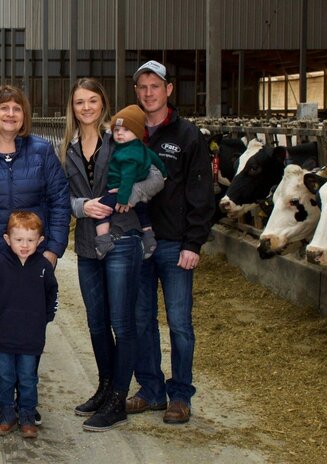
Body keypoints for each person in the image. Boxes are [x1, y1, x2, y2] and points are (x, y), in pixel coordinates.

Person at [0, 84, 70, 427]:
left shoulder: (41, 152)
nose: (10, 114)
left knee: (30, 326)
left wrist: (52, 250)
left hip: (32, 260)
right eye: (4, 108)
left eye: (17, 109)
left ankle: (26, 401)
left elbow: (59, 201)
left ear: (24, 115)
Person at [61, 78, 165, 431]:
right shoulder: (68, 148)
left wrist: (123, 199)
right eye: (79, 102)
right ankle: (105, 387)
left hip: (122, 238)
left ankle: (119, 397)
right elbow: (61, 196)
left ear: (103, 105)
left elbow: (155, 177)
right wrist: (82, 206)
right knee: (95, 322)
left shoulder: (119, 138)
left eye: (92, 100)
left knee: (122, 322)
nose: (86, 107)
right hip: (88, 244)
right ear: (72, 109)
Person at [129, 60, 214, 424]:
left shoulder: (188, 135)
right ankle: (151, 390)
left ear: (169, 89)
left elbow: (201, 193)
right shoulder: (128, 132)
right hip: (136, 243)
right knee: (141, 319)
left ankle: (180, 394)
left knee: (179, 322)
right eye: (142, 87)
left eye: (155, 86)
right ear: (136, 91)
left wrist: (193, 243)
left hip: (175, 244)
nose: (149, 93)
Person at [0, 211, 57, 440]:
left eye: (30, 240)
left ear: (40, 241)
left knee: (27, 377)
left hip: (31, 337)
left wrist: (46, 316)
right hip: (3, 334)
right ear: (7, 239)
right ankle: (6, 415)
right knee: (5, 376)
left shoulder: (44, 267)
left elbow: (52, 293)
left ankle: (26, 415)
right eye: (19, 239)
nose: (24, 245)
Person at [94, 104, 167, 260]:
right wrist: (164, 174)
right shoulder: (141, 148)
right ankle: (149, 239)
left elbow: (127, 177)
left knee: (100, 209)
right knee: (142, 211)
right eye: (117, 130)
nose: (120, 134)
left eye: (126, 130)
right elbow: (156, 160)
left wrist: (123, 197)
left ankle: (103, 241)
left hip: (121, 191)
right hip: (137, 193)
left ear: (138, 132)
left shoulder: (127, 154)